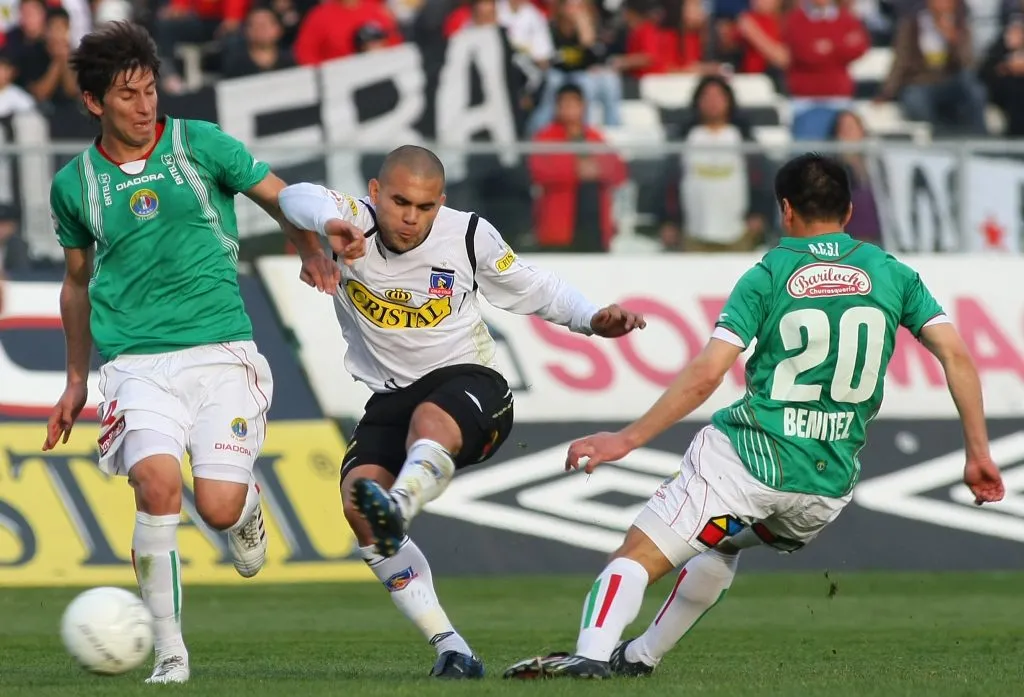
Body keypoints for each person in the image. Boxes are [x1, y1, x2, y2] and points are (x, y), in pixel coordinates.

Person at [503, 153, 1006, 680]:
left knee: (637, 554)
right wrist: (977, 454)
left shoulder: (769, 273)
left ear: (785, 209)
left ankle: (589, 656)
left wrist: (626, 439)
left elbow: (707, 374)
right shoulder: (893, 273)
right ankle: (639, 657)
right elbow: (956, 356)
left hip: (749, 463)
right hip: (823, 488)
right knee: (719, 544)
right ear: (849, 211)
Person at [41, 21, 361, 685]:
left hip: (221, 351)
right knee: (155, 484)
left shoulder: (201, 144)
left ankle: (242, 509)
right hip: (134, 363)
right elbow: (76, 283)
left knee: (215, 506)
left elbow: (278, 196)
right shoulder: (74, 184)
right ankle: (170, 654)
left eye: (150, 90)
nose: (144, 106)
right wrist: (75, 379)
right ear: (94, 102)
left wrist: (309, 245)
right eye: (127, 95)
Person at [276, 145, 646, 679]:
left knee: (429, 420)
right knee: (359, 505)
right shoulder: (351, 221)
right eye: (400, 202)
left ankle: (400, 502)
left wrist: (592, 317)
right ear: (375, 193)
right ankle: (452, 648)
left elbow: (537, 288)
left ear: (441, 203)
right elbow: (293, 196)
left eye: (425, 207)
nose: (411, 217)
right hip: (390, 398)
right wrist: (329, 224)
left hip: (472, 387)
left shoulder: (469, 234)